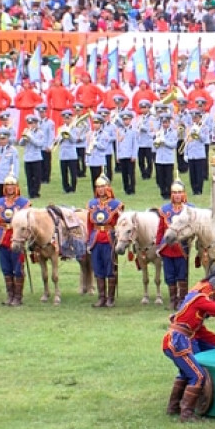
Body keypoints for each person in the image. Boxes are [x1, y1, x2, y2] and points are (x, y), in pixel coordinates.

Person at [163, 269, 215, 422]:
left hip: (177, 340)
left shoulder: (198, 300)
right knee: (198, 376)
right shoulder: (200, 298)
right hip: (177, 341)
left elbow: (200, 331)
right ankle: (186, 414)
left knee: (185, 373)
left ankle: (173, 407)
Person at [0, 169, 30, 306]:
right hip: (3, 238)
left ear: (16, 187)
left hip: (16, 237)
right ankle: (10, 295)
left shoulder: (24, 203)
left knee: (18, 268)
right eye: (7, 186)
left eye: (12, 186)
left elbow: (27, 223)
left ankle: (18, 297)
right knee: (6, 268)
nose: (10, 188)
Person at [86, 173, 124, 307]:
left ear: (108, 187)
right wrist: (88, 240)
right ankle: (101, 297)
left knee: (110, 268)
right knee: (98, 268)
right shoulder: (92, 204)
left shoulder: (116, 204)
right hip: (96, 239)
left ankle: (110, 298)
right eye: (98, 187)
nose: (101, 189)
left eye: (103, 186)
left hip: (109, 238)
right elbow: (89, 225)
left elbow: (120, 224)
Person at [156, 179, 192, 310]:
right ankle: (172, 300)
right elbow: (160, 229)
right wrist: (158, 245)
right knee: (169, 275)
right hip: (167, 248)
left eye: (179, 192)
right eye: (174, 192)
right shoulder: (165, 210)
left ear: (183, 194)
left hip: (182, 247)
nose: (177, 195)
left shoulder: (189, 209)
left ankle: (182, 300)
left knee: (182, 274)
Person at [18, 114, 44, 199]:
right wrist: (24, 138)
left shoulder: (40, 133)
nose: (31, 125)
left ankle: (36, 192)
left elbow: (39, 144)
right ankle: (30, 192)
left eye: (32, 123)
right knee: (29, 177)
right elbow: (20, 144)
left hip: (36, 158)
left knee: (37, 177)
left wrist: (31, 137)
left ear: (36, 123)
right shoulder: (27, 131)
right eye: (29, 123)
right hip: (27, 157)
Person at [55, 110, 81, 193]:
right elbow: (57, 140)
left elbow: (74, 140)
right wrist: (61, 137)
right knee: (64, 173)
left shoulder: (75, 128)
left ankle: (73, 188)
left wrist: (68, 135)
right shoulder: (61, 128)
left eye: (68, 118)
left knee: (73, 173)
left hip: (71, 154)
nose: (66, 120)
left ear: (71, 119)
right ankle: (66, 188)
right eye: (65, 119)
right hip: (63, 154)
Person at [0, 128, 19, 199]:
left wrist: (15, 177)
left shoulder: (12, 150)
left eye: (4, 139)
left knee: (9, 199)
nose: (2, 141)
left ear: (7, 139)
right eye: (0, 139)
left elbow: (16, 165)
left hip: (8, 178)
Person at [154, 113, 178, 200]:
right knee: (160, 177)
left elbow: (174, 144)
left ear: (169, 123)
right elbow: (154, 146)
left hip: (168, 158)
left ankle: (169, 193)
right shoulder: (159, 132)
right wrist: (156, 142)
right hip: (159, 158)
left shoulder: (174, 132)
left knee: (168, 178)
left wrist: (165, 142)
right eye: (164, 123)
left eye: (167, 122)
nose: (165, 124)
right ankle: (163, 192)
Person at [116, 110, 139, 195]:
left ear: (130, 120)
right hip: (122, 155)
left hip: (130, 155)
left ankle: (132, 189)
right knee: (124, 173)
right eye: (124, 119)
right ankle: (126, 188)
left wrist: (134, 155)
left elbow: (135, 144)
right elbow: (117, 144)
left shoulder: (133, 131)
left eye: (128, 119)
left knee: (131, 173)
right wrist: (118, 156)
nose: (126, 121)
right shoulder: (119, 130)